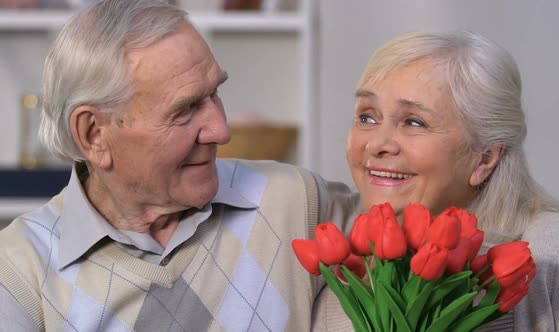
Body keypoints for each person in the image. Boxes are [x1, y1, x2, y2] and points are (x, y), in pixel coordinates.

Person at [0, 0, 361, 331]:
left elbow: (408, 234)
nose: (221, 130)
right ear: (94, 134)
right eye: (185, 110)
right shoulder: (18, 271)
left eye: (215, 94)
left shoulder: (295, 202)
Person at [312, 31, 559, 331]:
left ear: (484, 158)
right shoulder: (334, 265)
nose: (377, 144)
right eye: (367, 117)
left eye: (414, 122)